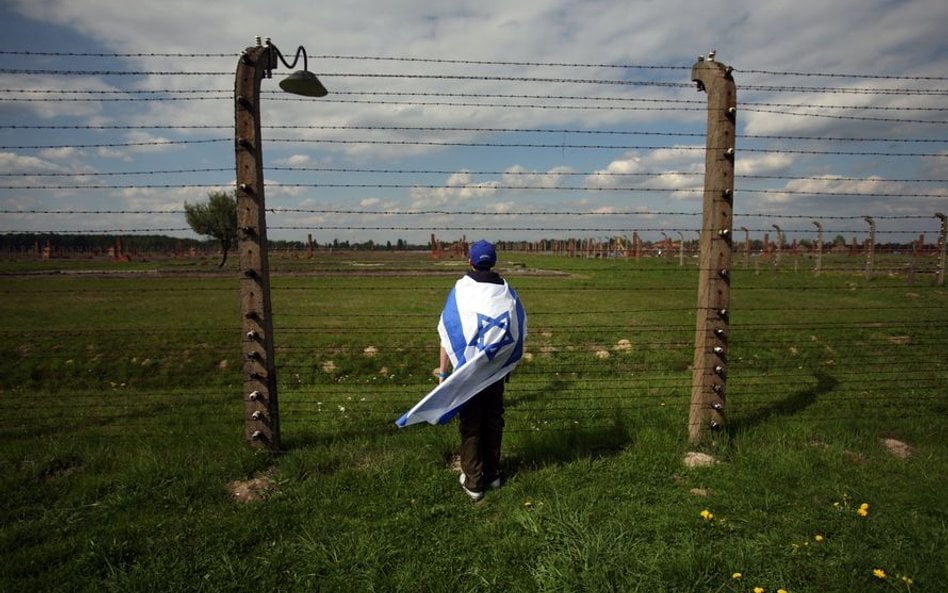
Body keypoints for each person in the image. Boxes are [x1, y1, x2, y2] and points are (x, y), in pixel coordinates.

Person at [395, 240, 526, 502]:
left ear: (470, 261)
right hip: (495, 371)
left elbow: (449, 332)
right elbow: (517, 330)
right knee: (493, 419)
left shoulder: (461, 291)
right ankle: (493, 474)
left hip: (467, 372)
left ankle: (474, 482)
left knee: (471, 423)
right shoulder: (508, 294)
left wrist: (444, 374)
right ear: (494, 262)